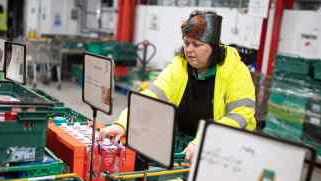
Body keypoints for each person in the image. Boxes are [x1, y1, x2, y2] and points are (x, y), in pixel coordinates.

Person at [99, 10, 256, 160]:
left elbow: (240, 115)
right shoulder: (179, 67)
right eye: (186, 43)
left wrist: (204, 140)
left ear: (214, 48)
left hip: (227, 151)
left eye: (196, 44)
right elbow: (149, 100)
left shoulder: (235, 71)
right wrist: (122, 125)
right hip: (186, 145)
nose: (189, 50)